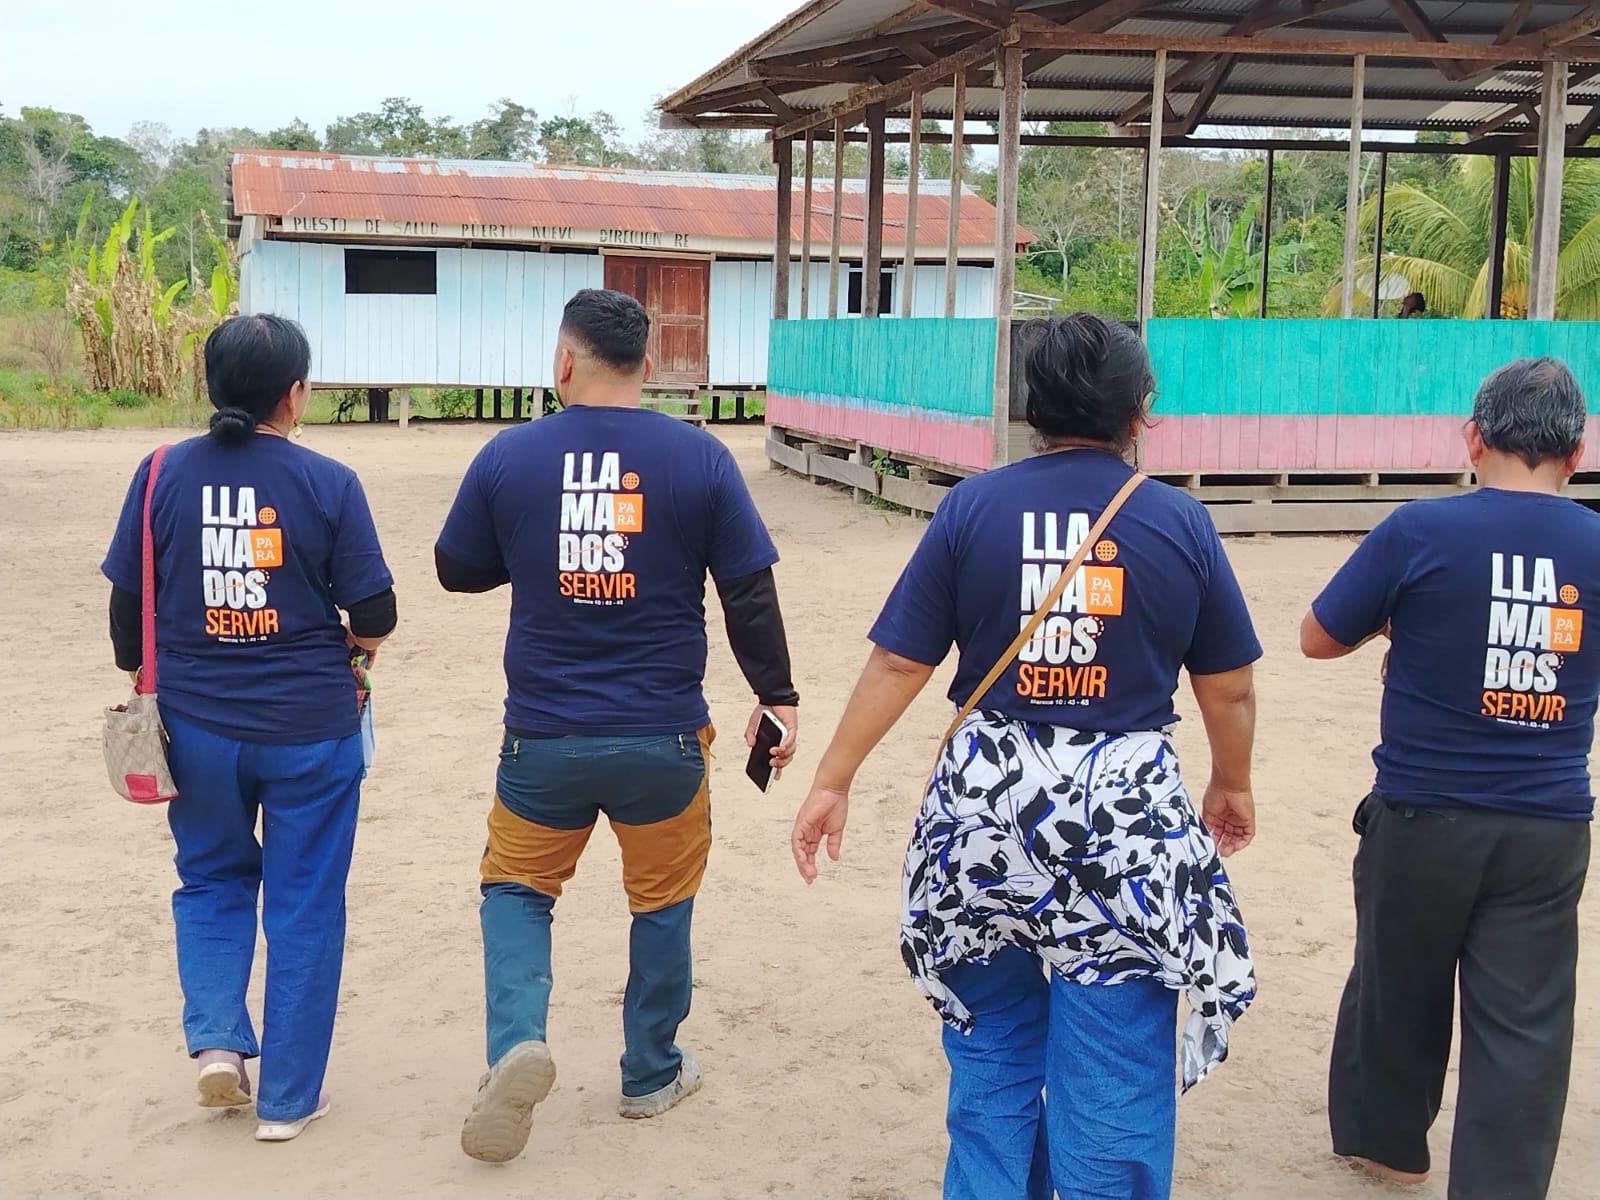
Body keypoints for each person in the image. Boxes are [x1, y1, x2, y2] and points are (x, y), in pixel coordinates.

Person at [791, 312, 1261, 1200]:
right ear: (1141, 412)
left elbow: (900, 660)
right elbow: (1228, 688)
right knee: (1113, 1057)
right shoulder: (1178, 520)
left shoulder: (973, 506)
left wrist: (831, 779)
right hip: (1119, 825)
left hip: (983, 822)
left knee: (996, 1046)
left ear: (1028, 409)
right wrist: (1230, 783)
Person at [436, 288, 799, 1163]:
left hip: (542, 743)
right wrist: (777, 694)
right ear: (648, 364)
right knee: (662, 900)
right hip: (663, 740)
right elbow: (746, 587)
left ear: (564, 362)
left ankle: (514, 1046)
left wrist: (540, 547)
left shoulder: (509, 455)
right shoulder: (700, 457)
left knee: (516, 892)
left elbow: (457, 568)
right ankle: (649, 1072)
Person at [1301, 356, 1596, 1200]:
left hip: (1422, 811)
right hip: (1547, 823)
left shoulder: (1418, 530)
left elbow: (1318, 637)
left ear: (1473, 438)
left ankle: (1390, 1150)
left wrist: (1397, 622)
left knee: (1398, 982)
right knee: (1527, 1023)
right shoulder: (1595, 543)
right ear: (1576, 450)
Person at [101, 314, 396, 1142]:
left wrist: (150, 660)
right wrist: (357, 646)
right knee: (305, 901)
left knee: (210, 878)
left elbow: (128, 612)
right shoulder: (329, 482)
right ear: (295, 394)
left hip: (194, 729)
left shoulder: (158, 472)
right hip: (311, 729)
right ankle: (290, 1101)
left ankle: (219, 1050)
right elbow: (375, 610)